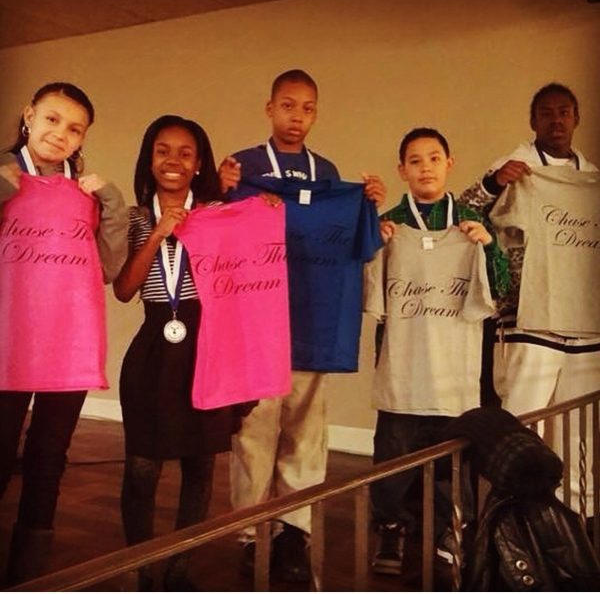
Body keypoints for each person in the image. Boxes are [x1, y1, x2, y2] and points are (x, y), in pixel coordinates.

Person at [219, 69, 386, 582]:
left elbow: (359, 244)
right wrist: (220, 190)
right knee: (253, 433)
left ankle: (295, 532)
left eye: (308, 108)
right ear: (270, 108)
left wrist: (369, 203)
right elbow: (217, 234)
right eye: (288, 105)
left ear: (316, 114)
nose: (297, 116)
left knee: (306, 432)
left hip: (312, 320)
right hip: (256, 325)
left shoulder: (328, 173)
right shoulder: (242, 166)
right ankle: (251, 534)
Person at [113, 115, 253, 591]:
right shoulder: (135, 218)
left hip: (208, 349)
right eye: (162, 150)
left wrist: (264, 205)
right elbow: (124, 290)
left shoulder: (217, 214)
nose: (173, 160)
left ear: (198, 164)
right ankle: (142, 570)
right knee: (141, 467)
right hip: (154, 349)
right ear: (149, 160)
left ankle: (180, 571)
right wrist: (158, 233)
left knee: (199, 466)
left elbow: (246, 275)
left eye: (185, 152)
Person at [364, 128, 509, 575]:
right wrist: (373, 244)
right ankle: (391, 527)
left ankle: (452, 530)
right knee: (393, 453)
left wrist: (488, 247)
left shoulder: (470, 222)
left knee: (453, 458)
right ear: (402, 170)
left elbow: (500, 288)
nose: (425, 167)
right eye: (415, 160)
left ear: (449, 163)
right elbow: (363, 290)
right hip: (403, 363)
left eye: (433, 158)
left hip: (455, 366)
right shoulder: (388, 224)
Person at [0, 82, 128, 586]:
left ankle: (27, 575)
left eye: (75, 129)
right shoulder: (3, 174)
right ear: (29, 116)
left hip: (68, 343)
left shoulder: (88, 194)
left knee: (49, 459)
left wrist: (113, 203)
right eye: (52, 119)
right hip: (8, 341)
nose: (61, 134)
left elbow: (109, 269)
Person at [459, 83, 600, 517]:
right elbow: (463, 212)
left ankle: (577, 520)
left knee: (580, 429)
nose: (556, 120)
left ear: (576, 118)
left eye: (564, 112)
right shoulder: (516, 170)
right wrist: (493, 183)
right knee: (521, 425)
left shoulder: (592, 178)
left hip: (586, 323)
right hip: (529, 321)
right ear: (533, 120)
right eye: (546, 113)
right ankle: (510, 520)